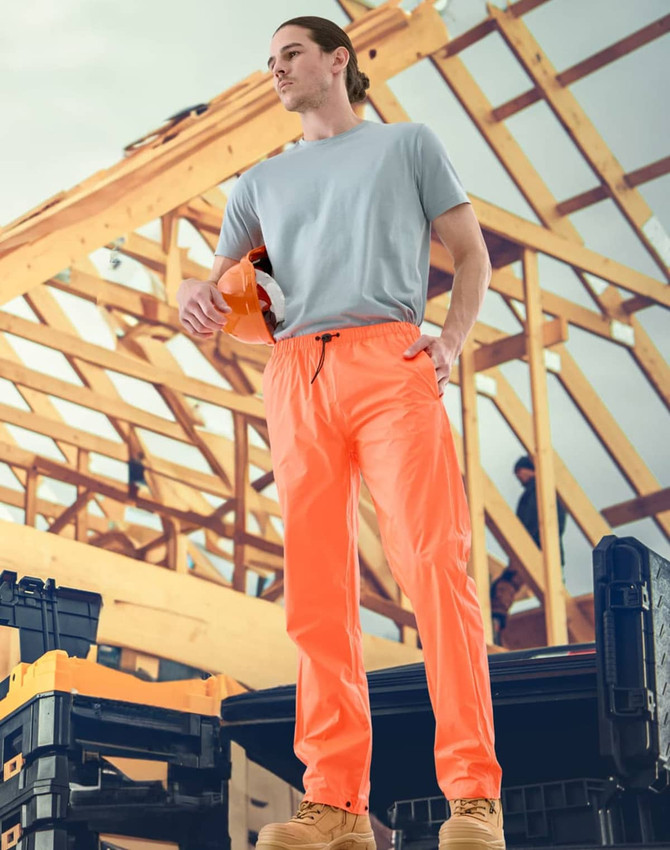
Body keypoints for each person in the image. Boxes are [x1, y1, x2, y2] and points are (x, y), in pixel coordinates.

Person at [177, 16, 504, 850]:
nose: (275, 69)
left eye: (290, 54)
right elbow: (225, 301)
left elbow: (472, 257)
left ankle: (473, 798)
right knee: (318, 592)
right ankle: (337, 807)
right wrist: (195, 297)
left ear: (337, 61)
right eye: (269, 60)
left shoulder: (409, 147)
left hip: (390, 359)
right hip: (294, 374)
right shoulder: (255, 184)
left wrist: (451, 342)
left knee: (434, 564)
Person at [490, 456, 567, 646]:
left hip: (535, 550)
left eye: (520, 472)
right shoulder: (536, 492)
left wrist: (528, 545)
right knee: (504, 587)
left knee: (505, 586)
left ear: (529, 469)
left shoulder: (540, 491)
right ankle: (496, 626)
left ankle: (495, 628)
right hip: (539, 551)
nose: (518, 477)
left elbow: (537, 523)